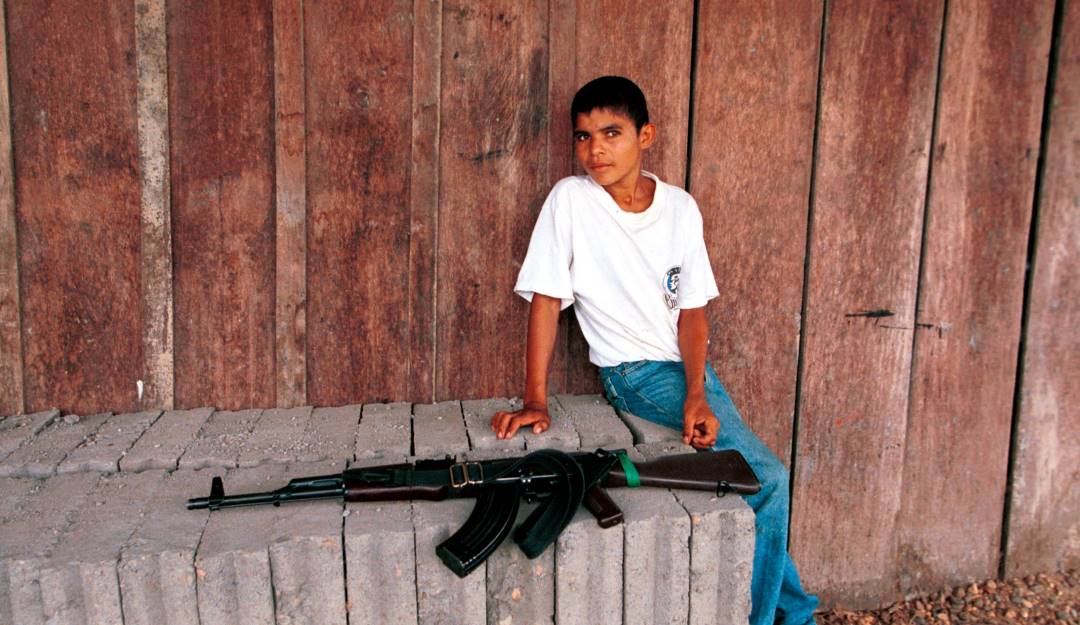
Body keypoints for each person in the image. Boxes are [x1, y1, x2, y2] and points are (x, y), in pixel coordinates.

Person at [489, 75, 820, 625]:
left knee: (758, 483)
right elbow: (545, 303)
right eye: (583, 136)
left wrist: (696, 392)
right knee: (767, 479)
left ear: (646, 136)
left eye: (611, 133)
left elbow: (691, 311)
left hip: (686, 370)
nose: (595, 149)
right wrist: (536, 400)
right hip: (634, 373)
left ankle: (800, 614)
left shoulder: (681, 208)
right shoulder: (571, 202)